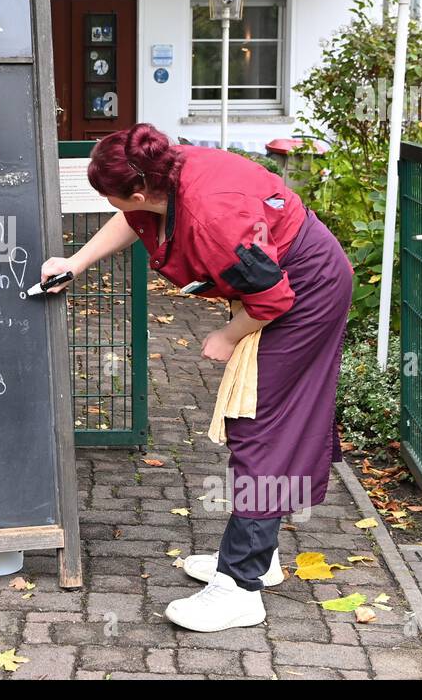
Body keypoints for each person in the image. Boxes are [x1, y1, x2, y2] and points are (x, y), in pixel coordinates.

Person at [40, 124, 353, 632]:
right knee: (262, 426)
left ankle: (239, 589)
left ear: (140, 189)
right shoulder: (161, 166)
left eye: (112, 196)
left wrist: (229, 335)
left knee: (261, 430)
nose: (114, 204)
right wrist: (76, 264)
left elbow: (273, 299)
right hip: (281, 284)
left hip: (303, 293)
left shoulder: (215, 216)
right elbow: (135, 216)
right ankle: (259, 557)